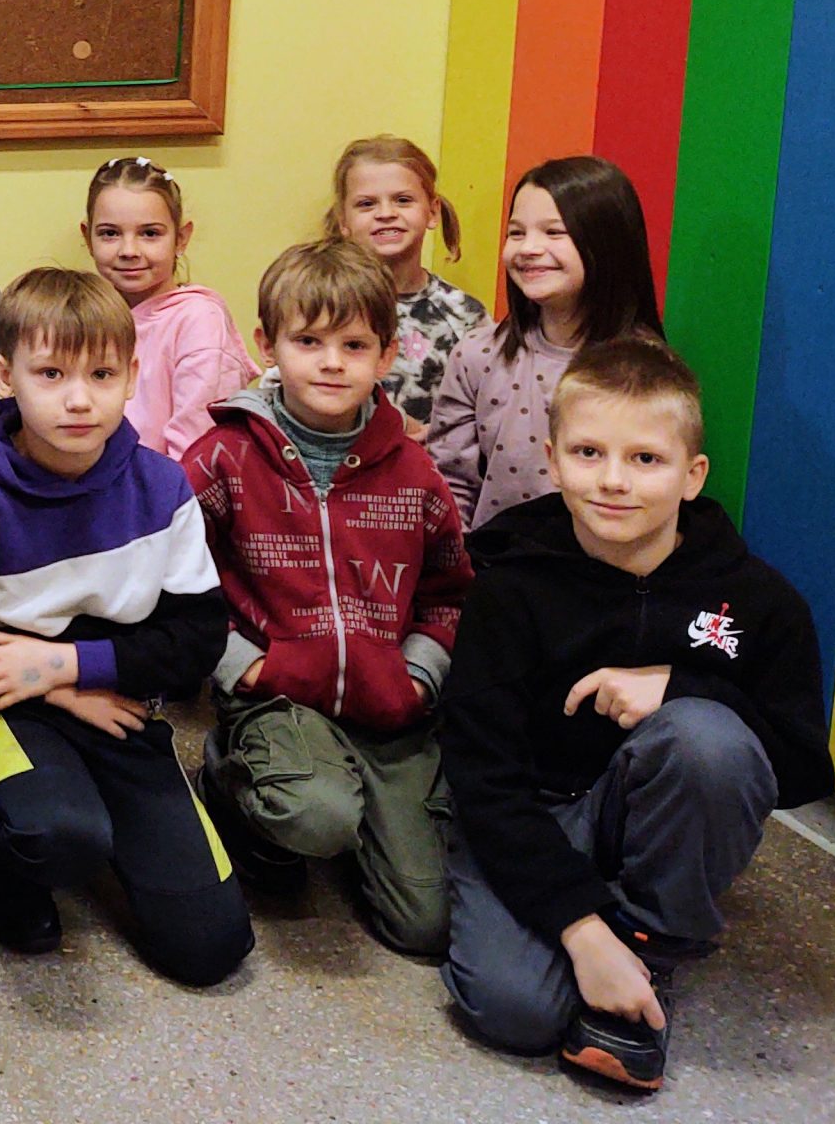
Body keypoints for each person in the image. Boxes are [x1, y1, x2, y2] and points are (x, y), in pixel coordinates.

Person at [438, 339, 833, 1093]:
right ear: (553, 461)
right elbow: (483, 780)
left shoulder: (763, 603)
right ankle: (599, 931)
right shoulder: (508, 588)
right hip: (539, 814)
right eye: (588, 452)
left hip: (653, 812)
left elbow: (802, 769)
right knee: (513, 1011)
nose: (614, 480)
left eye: (646, 459)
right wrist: (581, 929)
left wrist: (684, 688)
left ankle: (655, 941)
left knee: (707, 739)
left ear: (693, 475)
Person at [0, 266, 252, 987]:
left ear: (131, 377)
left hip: (115, 699)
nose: (77, 398)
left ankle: (99, 816)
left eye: (101, 374)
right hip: (1, 702)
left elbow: (197, 639)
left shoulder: (163, 488)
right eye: (50, 373)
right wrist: (53, 689)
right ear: (4, 376)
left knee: (211, 948)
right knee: (60, 834)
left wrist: (69, 669)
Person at [183, 239, 472, 955]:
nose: (332, 362)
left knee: (425, 926)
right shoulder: (222, 457)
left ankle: (347, 802)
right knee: (315, 817)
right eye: (308, 342)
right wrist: (241, 665)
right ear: (267, 345)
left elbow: (449, 591)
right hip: (276, 694)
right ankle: (231, 783)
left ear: (387, 354)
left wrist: (419, 674)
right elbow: (177, 582)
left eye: (354, 345)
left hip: (388, 708)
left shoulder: (415, 472)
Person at [429, 155, 662, 532]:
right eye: (516, 233)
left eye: (554, 232)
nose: (528, 248)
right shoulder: (477, 355)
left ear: (606, 242)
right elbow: (450, 483)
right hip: (495, 560)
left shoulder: (648, 368)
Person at [81, 155, 255, 459]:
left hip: (170, 486)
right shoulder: (83, 318)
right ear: (88, 236)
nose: (129, 251)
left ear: (181, 238)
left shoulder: (198, 321)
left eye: (150, 233)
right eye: (110, 233)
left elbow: (198, 453)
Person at [325, 134, 486, 434]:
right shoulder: (321, 302)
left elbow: (486, 410)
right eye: (367, 204)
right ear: (343, 221)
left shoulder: (464, 315)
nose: (386, 214)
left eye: (403, 200)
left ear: (432, 212)